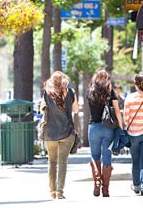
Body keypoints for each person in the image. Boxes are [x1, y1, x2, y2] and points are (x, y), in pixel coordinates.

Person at [40, 71, 79, 200]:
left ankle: (52, 191)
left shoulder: (47, 93)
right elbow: (76, 110)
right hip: (66, 133)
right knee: (63, 162)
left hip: (50, 133)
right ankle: (59, 191)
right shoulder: (70, 92)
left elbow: (41, 109)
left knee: (52, 162)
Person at [86, 69, 123, 197]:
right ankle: (105, 189)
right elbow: (117, 110)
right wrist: (121, 126)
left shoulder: (90, 90)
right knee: (107, 156)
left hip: (94, 127)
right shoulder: (110, 91)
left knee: (95, 156)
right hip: (108, 128)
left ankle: (96, 182)